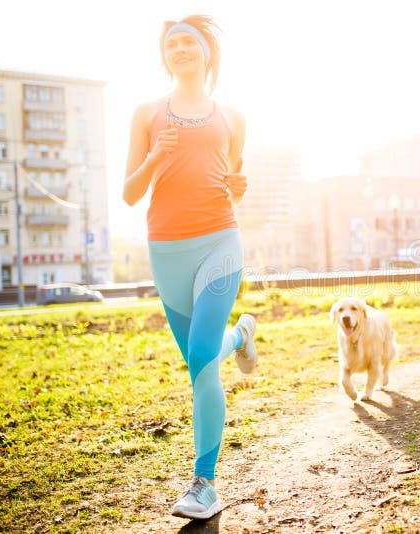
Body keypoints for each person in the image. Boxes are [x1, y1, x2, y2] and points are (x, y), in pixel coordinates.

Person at [123, 14, 257, 520]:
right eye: (171, 43)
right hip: (167, 249)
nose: (179, 48)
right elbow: (131, 193)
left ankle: (204, 483)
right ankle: (242, 338)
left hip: (221, 240)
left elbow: (234, 179)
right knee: (200, 362)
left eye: (188, 42)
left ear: (206, 53)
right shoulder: (145, 113)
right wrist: (156, 156)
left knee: (201, 358)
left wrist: (240, 186)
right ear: (165, 56)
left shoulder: (234, 118)